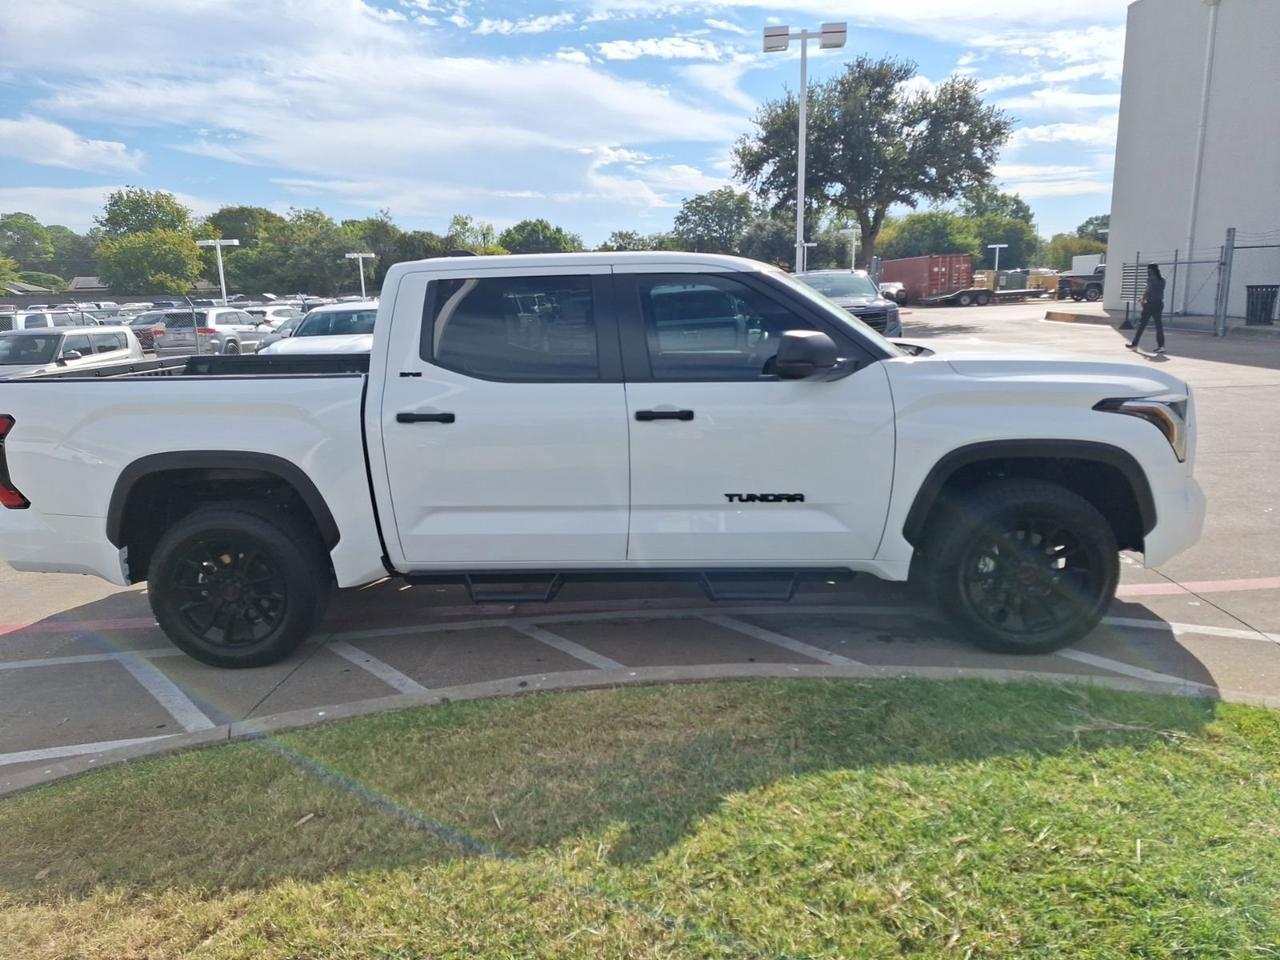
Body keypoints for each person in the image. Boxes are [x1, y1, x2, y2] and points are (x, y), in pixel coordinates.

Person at [1127, 263, 1166, 354]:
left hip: (1150, 304)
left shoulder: (1150, 279)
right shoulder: (1163, 280)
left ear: (1150, 271)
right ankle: (1161, 346)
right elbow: (1157, 291)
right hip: (1159, 304)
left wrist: (1142, 299)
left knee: (1142, 325)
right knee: (1159, 326)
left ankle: (1134, 344)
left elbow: (1148, 290)